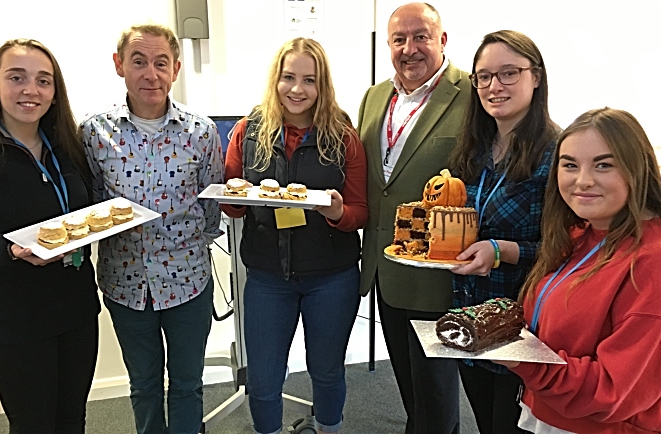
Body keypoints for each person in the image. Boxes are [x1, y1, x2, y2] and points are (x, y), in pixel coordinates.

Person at [80, 24, 223, 434]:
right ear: (119, 65)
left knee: (187, 385)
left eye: (161, 63)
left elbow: (210, 208)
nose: (151, 74)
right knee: (143, 385)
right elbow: (92, 206)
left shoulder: (201, 132)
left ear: (175, 69)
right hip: (125, 285)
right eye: (139, 62)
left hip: (188, 282)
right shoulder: (94, 132)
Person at [220, 37, 367, 434]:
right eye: (288, 77)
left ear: (323, 85)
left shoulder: (344, 137)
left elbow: (360, 211)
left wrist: (338, 213)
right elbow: (231, 201)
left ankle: (328, 428)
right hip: (268, 277)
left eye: (309, 80)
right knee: (264, 381)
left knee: (326, 371)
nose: (297, 89)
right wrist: (233, 198)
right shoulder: (248, 131)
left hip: (332, 276)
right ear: (276, 79)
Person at [0, 39, 100, 433]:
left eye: (43, 80)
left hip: (75, 313)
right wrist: (5, 250)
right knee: (33, 426)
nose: (31, 90)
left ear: (55, 93)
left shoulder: (69, 146)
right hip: (11, 322)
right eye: (16, 77)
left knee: (72, 421)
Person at [494, 107, 661, 433]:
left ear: (637, 167)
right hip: (547, 415)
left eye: (603, 165)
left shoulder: (650, 263)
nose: (582, 181)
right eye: (569, 165)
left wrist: (521, 360)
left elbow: (612, 390)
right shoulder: (581, 234)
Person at [356, 3, 469, 433]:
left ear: (442, 40)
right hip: (386, 265)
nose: (409, 49)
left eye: (421, 36)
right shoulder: (374, 97)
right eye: (399, 39)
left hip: (437, 271)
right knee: (408, 383)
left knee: (436, 393)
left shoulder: (471, 95)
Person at [448, 30, 559, 433]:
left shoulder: (557, 153)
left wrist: (502, 250)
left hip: (523, 321)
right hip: (471, 310)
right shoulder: (473, 148)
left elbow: (565, 250)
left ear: (536, 77)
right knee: (484, 422)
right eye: (483, 77)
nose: (494, 86)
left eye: (508, 73)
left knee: (509, 427)